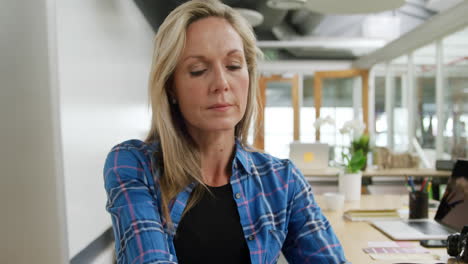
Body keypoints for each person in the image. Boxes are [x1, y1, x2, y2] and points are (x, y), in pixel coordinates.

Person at [103, 0, 347, 263]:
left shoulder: (282, 180)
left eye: (233, 66)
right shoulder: (134, 165)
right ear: (171, 87)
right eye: (198, 70)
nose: (221, 83)